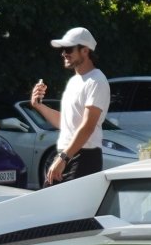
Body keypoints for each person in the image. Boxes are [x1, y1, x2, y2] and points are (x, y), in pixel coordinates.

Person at [31, 26, 109, 185]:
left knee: (67, 202)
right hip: (67, 154)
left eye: (68, 49)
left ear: (85, 50)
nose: (63, 53)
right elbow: (66, 123)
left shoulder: (97, 80)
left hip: (84, 157)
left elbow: (88, 126)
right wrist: (38, 106)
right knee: (49, 200)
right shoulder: (74, 81)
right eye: (63, 49)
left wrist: (63, 157)